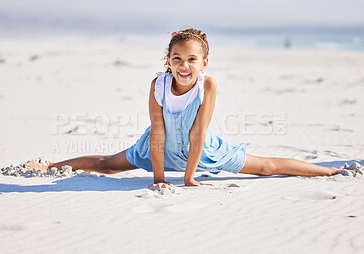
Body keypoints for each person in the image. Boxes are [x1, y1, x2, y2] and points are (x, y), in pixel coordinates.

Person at [27, 28, 341, 189]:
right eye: (177, 58)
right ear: (168, 61)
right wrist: (159, 177)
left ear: (204, 63)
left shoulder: (207, 86)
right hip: (157, 150)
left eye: (192, 59)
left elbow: (198, 133)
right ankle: (50, 166)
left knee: (265, 167)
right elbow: (158, 130)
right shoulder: (158, 85)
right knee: (107, 164)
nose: (183, 65)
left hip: (202, 150)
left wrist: (189, 177)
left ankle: (331, 169)